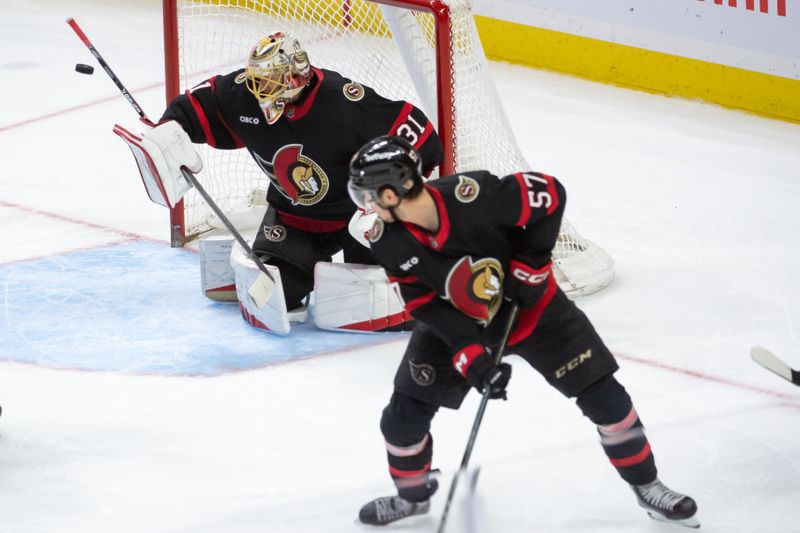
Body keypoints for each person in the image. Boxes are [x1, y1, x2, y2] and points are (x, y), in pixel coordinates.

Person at [346, 136, 699, 528]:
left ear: (394, 192)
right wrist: (469, 353)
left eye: (371, 196)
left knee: (609, 402)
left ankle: (648, 487)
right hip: (461, 322)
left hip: (536, 313)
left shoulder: (473, 197)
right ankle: (412, 498)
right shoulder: (387, 240)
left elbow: (550, 193)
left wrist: (531, 264)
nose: (368, 206)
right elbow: (423, 303)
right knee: (401, 420)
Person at [115, 32, 443, 332]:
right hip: (294, 218)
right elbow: (195, 106)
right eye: (257, 80)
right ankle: (295, 269)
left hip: (357, 218)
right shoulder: (241, 94)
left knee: (381, 306)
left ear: (296, 77)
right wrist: (170, 128)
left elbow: (421, 135)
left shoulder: (342, 102)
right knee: (272, 298)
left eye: (269, 81)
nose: (259, 90)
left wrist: (391, 200)